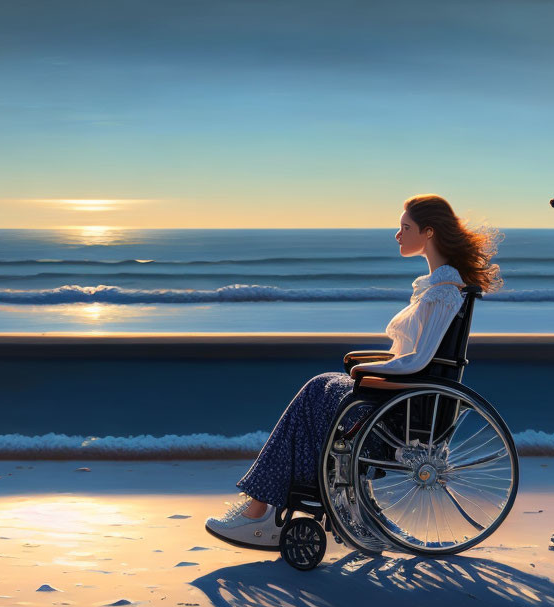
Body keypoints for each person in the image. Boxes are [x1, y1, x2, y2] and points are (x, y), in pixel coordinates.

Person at [204, 194, 504, 549]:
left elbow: (419, 360)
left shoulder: (443, 293)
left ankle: (262, 510)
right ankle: (273, 507)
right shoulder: (435, 287)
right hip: (398, 394)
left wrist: (371, 370)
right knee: (320, 389)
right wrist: (373, 367)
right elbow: (413, 357)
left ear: (428, 232)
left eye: (405, 227)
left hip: (401, 410)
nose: (397, 234)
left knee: (319, 391)